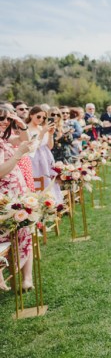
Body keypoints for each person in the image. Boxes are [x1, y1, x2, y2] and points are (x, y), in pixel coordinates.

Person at [0, 106, 35, 292]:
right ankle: (3, 278)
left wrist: (22, 126)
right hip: (4, 198)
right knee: (5, 236)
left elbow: (25, 142)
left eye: (7, 118)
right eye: (1, 118)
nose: (5, 122)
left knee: (25, 233)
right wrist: (17, 154)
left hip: (17, 193)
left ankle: (26, 279)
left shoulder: (3, 138)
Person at [25, 106, 62, 203]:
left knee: (49, 180)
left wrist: (50, 134)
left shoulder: (42, 127)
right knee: (39, 181)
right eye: (38, 117)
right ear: (31, 115)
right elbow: (32, 146)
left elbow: (50, 146)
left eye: (44, 118)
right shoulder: (26, 129)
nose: (41, 119)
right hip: (34, 159)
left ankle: (51, 202)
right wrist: (42, 132)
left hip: (46, 157)